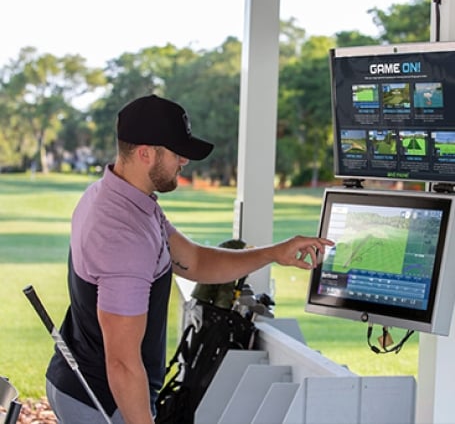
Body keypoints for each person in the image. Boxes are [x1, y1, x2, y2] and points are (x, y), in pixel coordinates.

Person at [45, 94, 334, 424]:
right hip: (103, 400)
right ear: (145, 153)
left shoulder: (124, 198)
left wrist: (273, 253)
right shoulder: (122, 233)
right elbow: (122, 363)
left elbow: (193, 261)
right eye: (176, 153)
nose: (184, 161)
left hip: (85, 385)